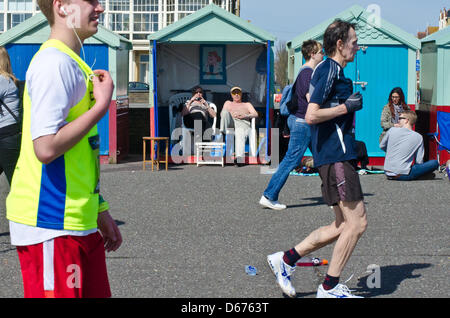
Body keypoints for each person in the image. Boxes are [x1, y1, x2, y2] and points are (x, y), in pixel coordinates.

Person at [6, 0, 122, 298]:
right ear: (62, 6)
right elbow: (45, 147)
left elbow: (80, 154)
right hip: (50, 220)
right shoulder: (53, 64)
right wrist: (101, 107)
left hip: (75, 220)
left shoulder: (71, 62)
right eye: (91, 1)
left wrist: (99, 208)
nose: (101, 8)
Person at [267, 19, 367, 298]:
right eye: (354, 42)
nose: (357, 47)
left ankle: (285, 260)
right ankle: (330, 288)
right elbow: (311, 114)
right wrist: (346, 107)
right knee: (357, 223)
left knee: (341, 226)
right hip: (335, 156)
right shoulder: (328, 69)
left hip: (335, 154)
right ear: (339, 44)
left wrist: (342, 106)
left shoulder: (333, 70)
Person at [259, 40, 324, 210]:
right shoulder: (308, 73)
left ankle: (335, 197)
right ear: (312, 54)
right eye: (320, 52)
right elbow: (311, 99)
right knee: (292, 159)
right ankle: (269, 195)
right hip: (304, 122)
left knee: (323, 157)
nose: (322, 54)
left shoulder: (305, 72)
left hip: (303, 121)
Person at [380, 110, 439, 180]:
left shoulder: (392, 130)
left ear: (406, 120)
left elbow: (382, 146)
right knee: (434, 163)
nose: (398, 120)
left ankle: (420, 176)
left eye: (400, 118)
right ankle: (420, 176)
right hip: (402, 174)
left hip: (387, 172)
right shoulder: (418, 137)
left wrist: (392, 151)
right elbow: (419, 161)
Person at [220, 86, 258, 166]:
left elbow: (255, 114)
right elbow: (222, 115)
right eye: (234, 93)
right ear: (231, 95)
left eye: (238, 93)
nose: (236, 94)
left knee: (239, 131)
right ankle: (222, 133)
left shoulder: (247, 104)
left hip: (242, 123)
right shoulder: (228, 103)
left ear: (241, 94)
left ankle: (239, 158)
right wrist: (230, 114)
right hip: (231, 122)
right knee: (224, 112)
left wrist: (245, 115)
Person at [0, 46, 21, 185]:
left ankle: (26, 206)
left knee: (16, 183)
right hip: (10, 134)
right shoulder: (10, 80)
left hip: (6, 137)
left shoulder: (2, 80)